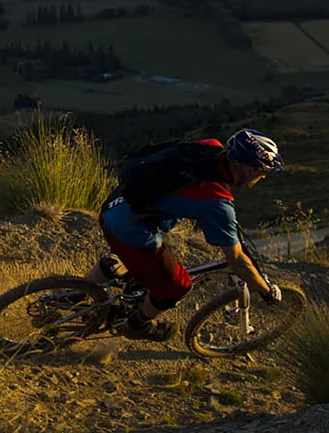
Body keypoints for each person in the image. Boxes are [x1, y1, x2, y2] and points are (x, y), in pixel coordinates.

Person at [92, 128, 285, 341]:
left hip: (114, 206)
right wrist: (266, 291)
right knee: (177, 286)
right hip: (130, 228)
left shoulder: (210, 146)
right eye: (261, 171)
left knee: (130, 259)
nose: (262, 177)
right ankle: (137, 325)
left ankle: (75, 295)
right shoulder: (218, 202)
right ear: (248, 168)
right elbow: (237, 259)